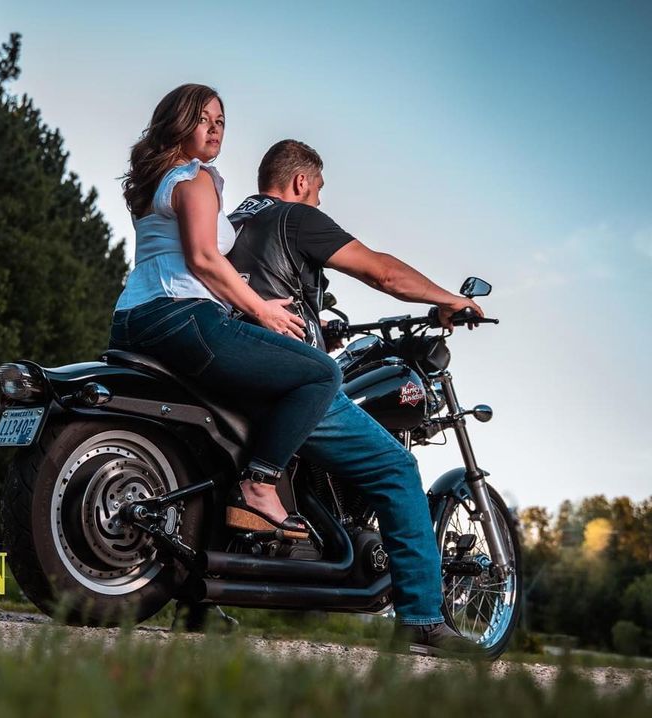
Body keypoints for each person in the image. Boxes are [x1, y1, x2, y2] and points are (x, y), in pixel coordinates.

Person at [225, 139, 484, 655]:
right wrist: (449, 299)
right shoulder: (295, 216)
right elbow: (381, 271)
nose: (320, 200)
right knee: (397, 470)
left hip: (228, 355)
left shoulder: (230, 221)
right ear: (301, 181)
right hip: (284, 375)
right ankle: (422, 618)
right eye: (318, 189)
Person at [107, 87, 342, 540]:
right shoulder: (195, 177)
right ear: (178, 123)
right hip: (183, 316)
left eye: (220, 121)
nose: (215, 129)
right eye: (203, 119)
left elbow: (181, 261)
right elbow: (203, 259)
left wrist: (250, 305)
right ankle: (260, 484)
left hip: (133, 319)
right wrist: (262, 311)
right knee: (320, 373)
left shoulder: (154, 182)